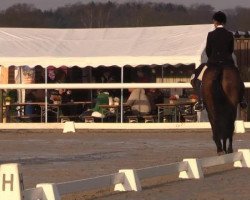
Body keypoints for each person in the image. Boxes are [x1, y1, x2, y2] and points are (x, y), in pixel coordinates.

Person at [191, 11, 247, 111]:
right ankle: (242, 100)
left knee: (198, 79)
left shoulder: (211, 34)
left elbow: (208, 51)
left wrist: (213, 59)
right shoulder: (229, 34)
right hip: (228, 63)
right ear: (224, 22)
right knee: (238, 78)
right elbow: (230, 50)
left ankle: (200, 101)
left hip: (213, 63)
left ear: (215, 22)